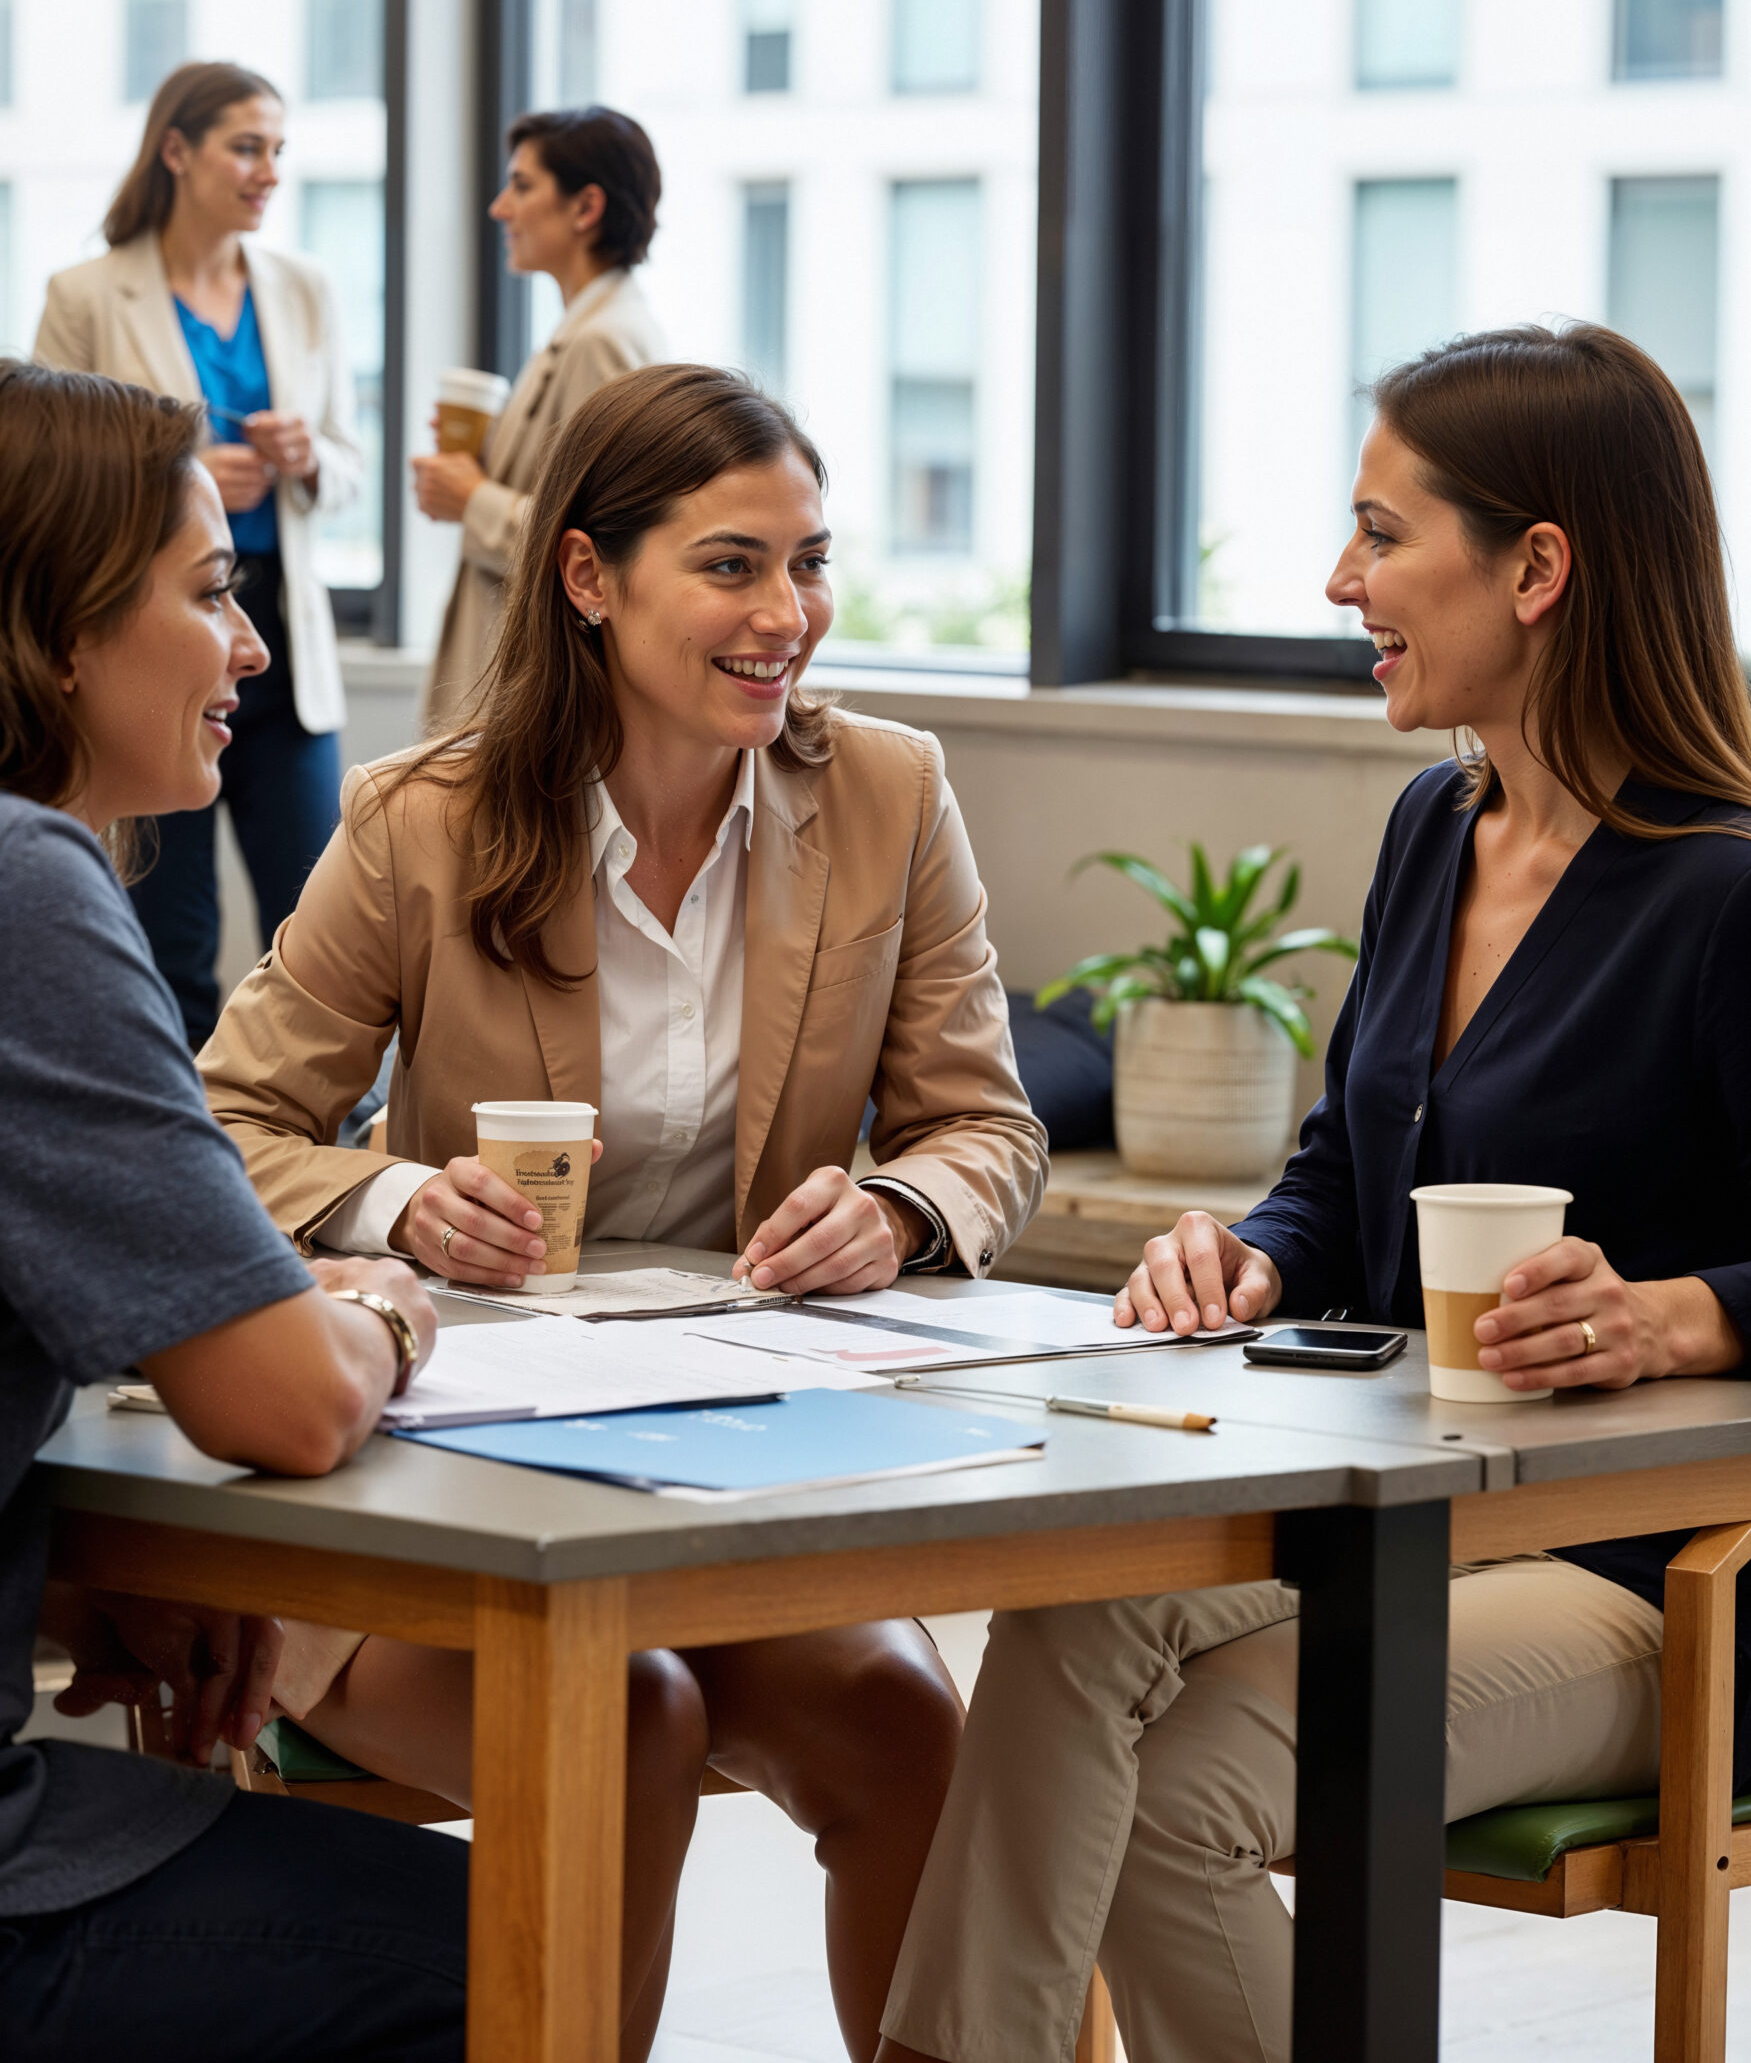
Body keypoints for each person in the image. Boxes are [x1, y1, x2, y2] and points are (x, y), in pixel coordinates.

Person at [875, 322, 1751, 2063]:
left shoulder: (1723, 890)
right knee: (1073, 1607)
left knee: (1166, 1803)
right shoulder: (1440, 829)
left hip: (1646, 1568)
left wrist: (1685, 1311)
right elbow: (1342, 1175)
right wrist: (1251, 1258)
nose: (1340, 578)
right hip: (1394, 1501)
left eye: (1380, 532)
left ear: (1539, 568)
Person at [201, 362, 1048, 2061]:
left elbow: (987, 1126)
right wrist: (390, 1200)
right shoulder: (424, 819)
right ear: (588, 578)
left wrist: (896, 1207)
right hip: (440, 1478)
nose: (786, 614)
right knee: (630, 1724)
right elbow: (224, 1121)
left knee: (905, 1727)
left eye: (808, 564)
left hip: (729, 1464)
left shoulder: (886, 795)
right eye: (732, 564)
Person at [0, 358, 463, 2060]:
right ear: (52, 627)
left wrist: (60, 1596)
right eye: (209, 596)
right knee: (517, 1954)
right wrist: (389, 1308)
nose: (253, 651)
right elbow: (289, 1400)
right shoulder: (24, 888)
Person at [34, 60, 362, 1050]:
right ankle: (173, 1130)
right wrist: (184, 483)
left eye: (277, 150)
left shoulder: (302, 289)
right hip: (156, 638)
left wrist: (310, 462)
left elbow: (350, 464)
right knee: (168, 930)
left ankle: (325, 1147)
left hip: (281, 646)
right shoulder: (88, 293)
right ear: (177, 151)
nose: (268, 170)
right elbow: (48, 472)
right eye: (246, 146)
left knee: (321, 922)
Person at [416, 106, 667, 732]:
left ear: (585, 208)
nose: (502, 208)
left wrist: (472, 497)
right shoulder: (584, 329)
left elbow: (614, 540)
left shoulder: (600, 341)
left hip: (537, 692)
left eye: (523, 186)